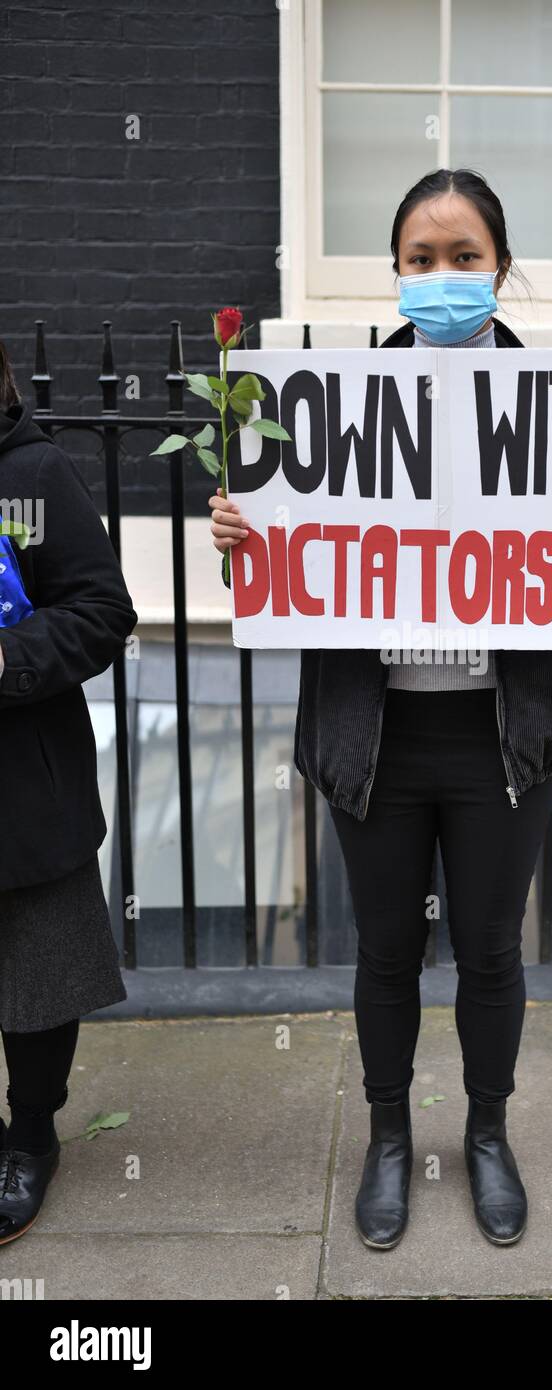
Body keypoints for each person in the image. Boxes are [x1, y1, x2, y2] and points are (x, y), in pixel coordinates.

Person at [209, 168, 552, 1250]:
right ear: (396, 274)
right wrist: (244, 538)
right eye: (422, 260)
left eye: (465, 259)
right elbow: (295, 568)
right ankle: (385, 1137)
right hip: (378, 735)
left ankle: (490, 1133)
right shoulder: (326, 413)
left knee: (492, 948)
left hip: (497, 738)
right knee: (382, 951)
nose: (444, 278)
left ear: (500, 269)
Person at [0, 341, 138, 1243]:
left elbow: (101, 610)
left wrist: (5, 656)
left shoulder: (35, 475)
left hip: (20, 785)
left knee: (36, 979)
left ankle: (29, 1138)